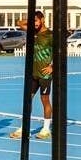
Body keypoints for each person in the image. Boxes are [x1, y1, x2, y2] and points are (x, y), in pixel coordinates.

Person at [25, 8, 53, 140]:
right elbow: (20, 23)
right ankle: (24, 126)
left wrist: (52, 67)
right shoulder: (33, 32)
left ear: (42, 20)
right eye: (33, 21)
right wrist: (31, 21)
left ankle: (46, 128)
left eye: (36, 20)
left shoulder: (50, 35)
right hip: (33, 73)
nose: (34, 24)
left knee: (44, 100)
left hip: (45, 75)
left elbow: (60, 52)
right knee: (27, 99)